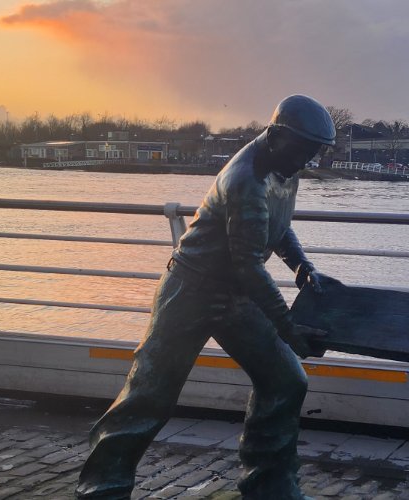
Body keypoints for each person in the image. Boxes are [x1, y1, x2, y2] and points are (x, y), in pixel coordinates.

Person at [76, 95, 337, 499]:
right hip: (190, 291)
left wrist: (301, 265)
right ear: (275, 134)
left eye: (315, 151)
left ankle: (268, 485)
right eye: (304, 148)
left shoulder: (286, 167)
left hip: (236, 293)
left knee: (286, 381)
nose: (307, 159)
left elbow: (277, 226)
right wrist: (288, 327)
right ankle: (101, 489)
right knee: (149, 396)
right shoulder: (243, 180)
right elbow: (248, 264)